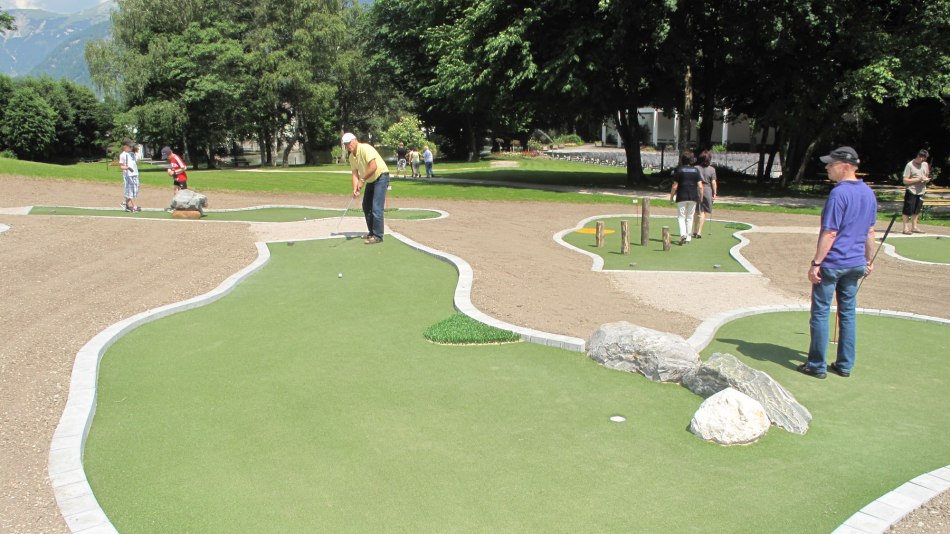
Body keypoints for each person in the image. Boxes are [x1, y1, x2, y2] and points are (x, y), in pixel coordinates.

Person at [799, 146, 877, 379]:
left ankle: (816, 365)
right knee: (848, 313)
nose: (827, 167)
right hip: (855, 263)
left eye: (831, 164)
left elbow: (830, 232)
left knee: (821, 313)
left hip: (833, 263)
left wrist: (816, 263)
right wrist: (868, 259)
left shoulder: (839, 193)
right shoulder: (868, 193)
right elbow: (870, 232)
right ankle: (844, 365)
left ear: (845, 166)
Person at [342, 132, 390, 244]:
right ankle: (372, 232)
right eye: (346, 144)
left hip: (381, 176)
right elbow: (354, 173)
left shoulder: (365, 148)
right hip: (370, 179)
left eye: (349, 143)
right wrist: (355, 188)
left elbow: (373, 166)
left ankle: (378, 236)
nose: (348, 146)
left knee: (376, 207)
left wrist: (362, 180)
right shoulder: (351, 157)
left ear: (355, 140)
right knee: (366, 205)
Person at [669, 150, 704, 245]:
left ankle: (683, 235)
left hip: (681, 196)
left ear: (682, 159)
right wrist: (701, 197)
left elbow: (675, 186)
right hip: (693, 196)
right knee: (690, 217)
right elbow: (700, 186)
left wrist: (671, 197)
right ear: (691, 160)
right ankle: (688, 237)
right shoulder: (696, 170)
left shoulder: (679, 170)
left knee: (681, 217)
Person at [901, 149, 931, 234]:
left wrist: (926, 179)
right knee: (907, 210)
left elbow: (926, 175)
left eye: (925, 158)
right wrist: (918, 179)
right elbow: (905, 181)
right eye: (923, 158)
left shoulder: (925, 164)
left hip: (921, 190)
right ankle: (905, 228)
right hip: (911, 190)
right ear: (919, 156)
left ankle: (914, 227)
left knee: (917, 209)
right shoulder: (910, 165)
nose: (924, 160)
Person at [694, 149, 717, 238]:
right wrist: (715, 193)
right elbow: (714, 182)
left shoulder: (696, 168)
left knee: (696, 210)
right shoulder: (712, 169)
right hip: (707, 189)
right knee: (703, 212)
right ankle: (699, 231)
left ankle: (695, 230)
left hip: (697, 188)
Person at [118, 139, 141, 213]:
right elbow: (121, 166)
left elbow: (135, 162)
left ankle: (126, 204)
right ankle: (134, 206)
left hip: (135, 174)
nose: (131, 148)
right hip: (128, 175)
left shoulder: (132, 154)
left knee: (135, 190)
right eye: (130, 146)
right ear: (125, 146)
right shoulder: (123, 155)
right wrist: (126, 167)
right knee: (130, 190)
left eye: (132, 146)